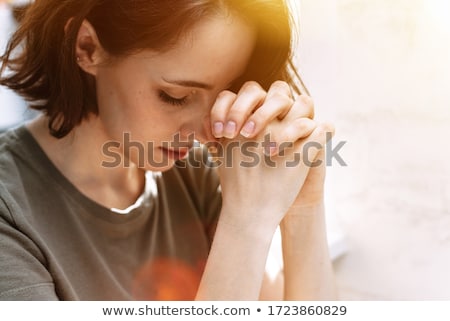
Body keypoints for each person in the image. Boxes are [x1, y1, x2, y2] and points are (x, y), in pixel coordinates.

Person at [0, 0, 337, 300]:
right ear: (88, 47)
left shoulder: (195, 174)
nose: (206, 131)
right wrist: (246, 222)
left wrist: (303, 206)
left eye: (225, 95)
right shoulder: (10, 213)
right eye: (175, 96)